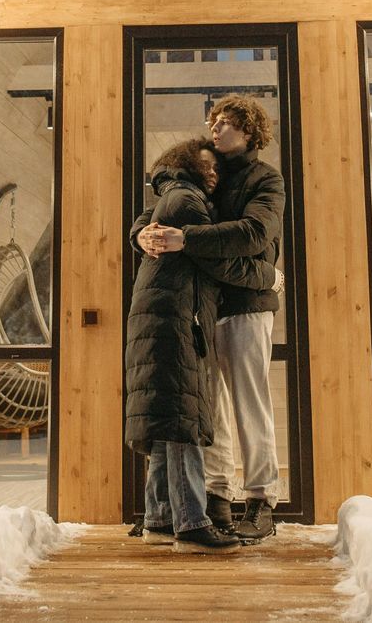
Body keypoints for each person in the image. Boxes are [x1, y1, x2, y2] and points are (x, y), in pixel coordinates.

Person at [138, 94, 285, 542]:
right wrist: (139, 233)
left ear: (250, 130)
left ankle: (261, 499)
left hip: (245, 307)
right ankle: (217, 497)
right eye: (213, 121)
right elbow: (155, 215)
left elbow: (254, 233)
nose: (216, 128)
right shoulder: (206, 175)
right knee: (210, 408)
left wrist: (187, 240)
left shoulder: (266, 179)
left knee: (249, 404)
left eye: (226, 122)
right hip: (202, 309)